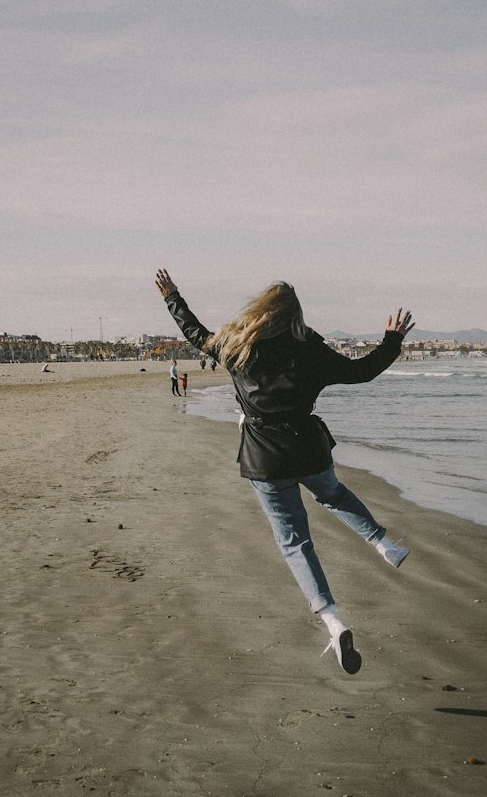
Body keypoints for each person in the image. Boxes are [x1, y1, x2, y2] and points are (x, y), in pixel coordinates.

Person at [155, 268, 413, 675]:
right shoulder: (310, 350)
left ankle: (334, 623)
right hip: (308, 450)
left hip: (265, 459)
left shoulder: (236, 347)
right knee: (334, 494)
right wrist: (393, 340)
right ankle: (384, 545)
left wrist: (172, 297)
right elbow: (362, 371)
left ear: (260, 311)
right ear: (295, 316)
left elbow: (195, 332)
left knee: (295, 543)